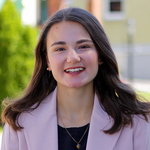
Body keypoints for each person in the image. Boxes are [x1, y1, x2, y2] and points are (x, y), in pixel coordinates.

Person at [1, 7, 150, 150]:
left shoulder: (137, 123)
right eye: (60, 49)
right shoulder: (19, 124)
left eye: (83, 46)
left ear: (100, 55)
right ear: (47, 61)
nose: (72, 58)